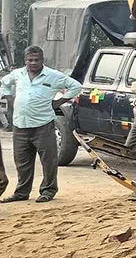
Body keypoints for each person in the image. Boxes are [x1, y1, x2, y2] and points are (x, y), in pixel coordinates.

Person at [0, 46, 82, 203]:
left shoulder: (53, 76)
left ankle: (48, 190)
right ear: (25, 60)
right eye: (30, 60)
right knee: (22, 161)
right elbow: (4, 83)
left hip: (43, 125)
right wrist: (9, 97)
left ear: (42, 60)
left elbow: (76, 86)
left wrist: (59, 102)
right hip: (20, 125)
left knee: (48, 160)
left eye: (37, 60)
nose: (33, 63)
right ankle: (22, 192)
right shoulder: (18, 74)